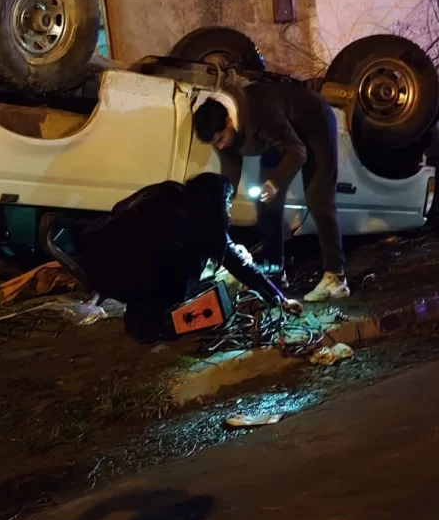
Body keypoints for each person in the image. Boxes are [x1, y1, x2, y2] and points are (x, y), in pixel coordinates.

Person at [78, 173, 302, 343]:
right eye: (226, 202)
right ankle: (147, 325)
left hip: (94, 260)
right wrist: (280, 298)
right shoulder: (191, 223)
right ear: (214, 202)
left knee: (183, 263)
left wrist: (278, 297)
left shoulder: (169, 192)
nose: (229, 208)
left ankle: (141, 315)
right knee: (187, 270)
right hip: (120, 273)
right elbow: (237, 263)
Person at [193, 83, 350, 302]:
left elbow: (296, 151)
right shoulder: (220, 127)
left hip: (313, 123)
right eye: (214, 143)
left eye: (220, 139)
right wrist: (221, 210)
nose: (219, 147)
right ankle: (275, 273)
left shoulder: (258, 113)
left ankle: (336, 278)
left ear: (229, 121)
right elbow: (229, 174)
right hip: (277, 136)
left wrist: (275, 182)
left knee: (318, 198)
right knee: (266, 203)